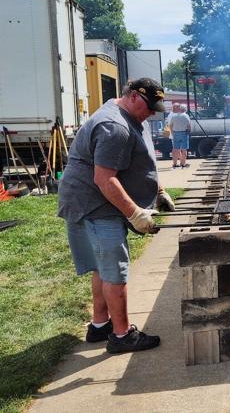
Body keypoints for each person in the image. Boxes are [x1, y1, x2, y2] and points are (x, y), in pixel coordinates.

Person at [57, 78, 175, 354]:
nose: (153, 113)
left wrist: (158, 189)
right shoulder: (114, 127)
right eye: (150, 106)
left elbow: (137, 162)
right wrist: (135, 214)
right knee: (115, 270)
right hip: (95, 205)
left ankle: (100, 325)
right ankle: (122, 335)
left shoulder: (123, 111)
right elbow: (105, 179)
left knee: (102, 266)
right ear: (133, 96)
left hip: (90, 201)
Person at [168, 103, 191, 168]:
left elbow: (170, 126)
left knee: (176, 149)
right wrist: (188, 132)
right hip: (183, 133)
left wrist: (172, 133)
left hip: (175, 133)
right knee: (183, 149)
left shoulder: (173, 116)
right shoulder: (186, 116)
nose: (178, 108)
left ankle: (175, 163)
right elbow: (189, 126)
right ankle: (183, 163)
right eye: (177, 106)